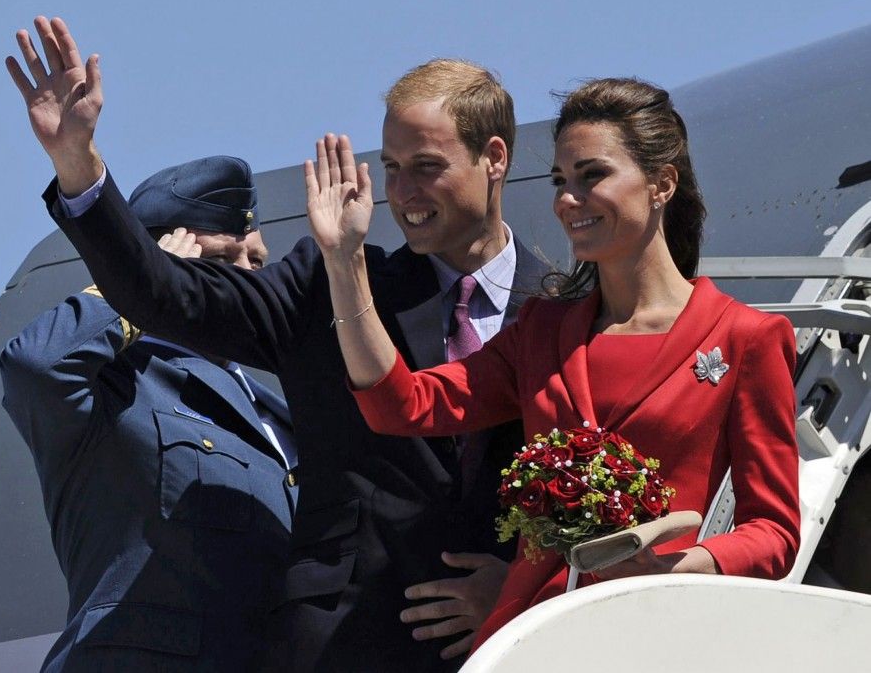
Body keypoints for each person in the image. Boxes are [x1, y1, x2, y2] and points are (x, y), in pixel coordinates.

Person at [6, 17, 549, 670]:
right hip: (346, 648)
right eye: (393, 169)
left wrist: (523, 587)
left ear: (495, 159)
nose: (403, 194)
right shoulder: (332, 286)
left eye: (426, 168)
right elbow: (159, 294)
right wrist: (78, 165)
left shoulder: (567, 310)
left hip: (518, 647)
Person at [307, 77, 801, 652]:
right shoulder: (541, 331)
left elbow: (775, 532)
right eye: (560, 181)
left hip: (663, 638)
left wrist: (681, 566)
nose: (568, 199)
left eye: (592, 176)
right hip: (537, 641)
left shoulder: (747, 338)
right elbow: (403, 405)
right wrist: (343, 263)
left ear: (662, 182)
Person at [0, 155, 297, 672]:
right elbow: (36, 365)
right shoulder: (120, 380)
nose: (251, 277)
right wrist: (135, 289)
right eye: (226, 260)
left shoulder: (280, 414)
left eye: (257, 261)